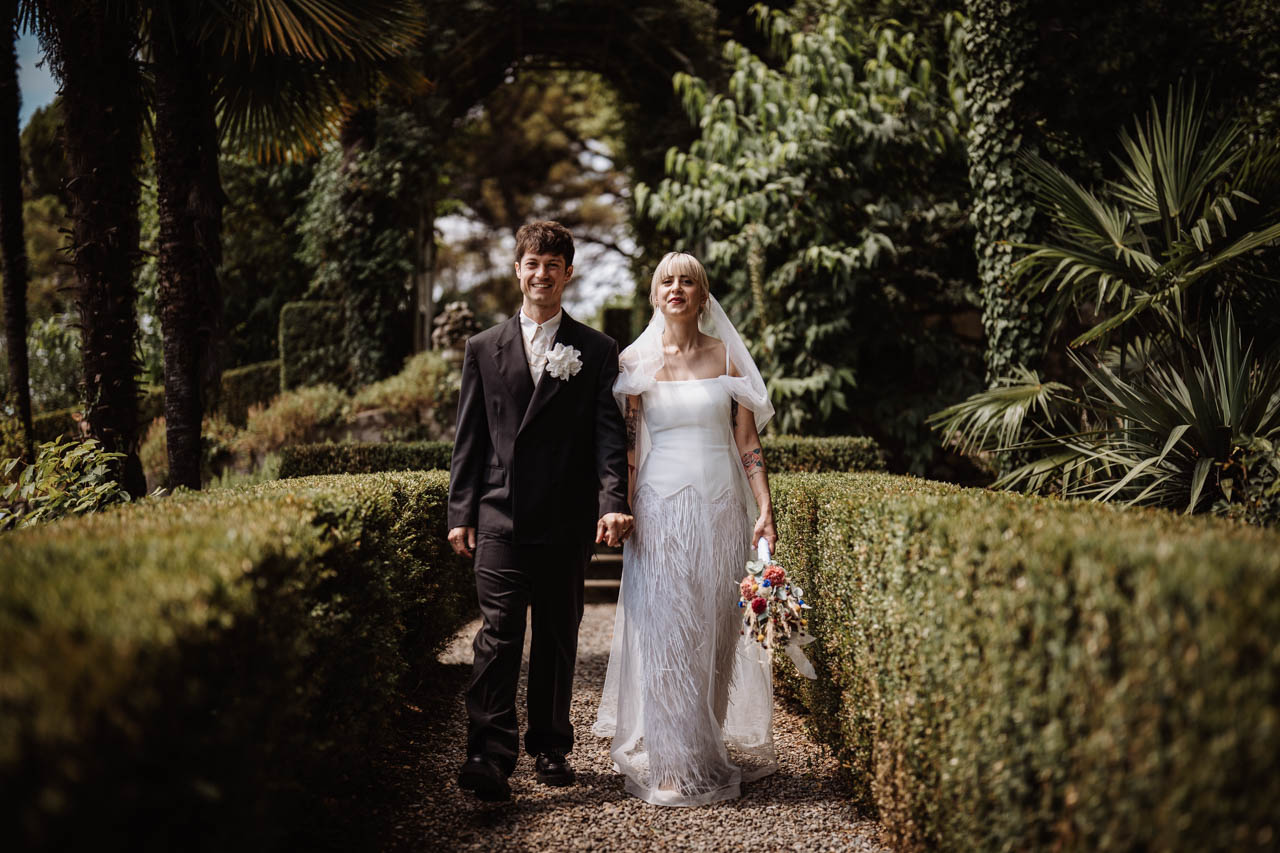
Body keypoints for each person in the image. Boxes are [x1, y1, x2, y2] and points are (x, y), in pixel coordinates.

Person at [448, 220, 633, 802]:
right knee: (498, 635)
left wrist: (612, 501)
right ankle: (488, 753)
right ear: (518, 270)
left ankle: (551, 746)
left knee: (556, 635)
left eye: (553, 265)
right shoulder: (483, 347)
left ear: (568, 274)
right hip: (498, 513)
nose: (542, 274)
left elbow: (608, 438)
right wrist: (460, 511)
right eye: (533, 263)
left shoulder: (596, 350)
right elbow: (469, 437)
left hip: (564, 517)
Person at [593, 251, 778, 807]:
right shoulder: (634, 362)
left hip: (722, 510)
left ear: (703, 295)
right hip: (659, 512)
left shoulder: (728, 357)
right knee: (668, 634)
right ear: (655, 295)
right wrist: (619, 508)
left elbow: (748, 441)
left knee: (716, 633)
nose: (676, 288)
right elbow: (629, 448)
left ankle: (704, 747)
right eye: (666, 281)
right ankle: (672, 764)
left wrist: (764, 507)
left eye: (687, 282)